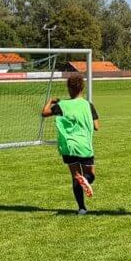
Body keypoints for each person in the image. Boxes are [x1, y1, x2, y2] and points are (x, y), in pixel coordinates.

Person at [41, 73, 100, 215]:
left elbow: (44, 113)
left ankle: (82, 208)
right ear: (82, 88)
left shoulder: (62, 105)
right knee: (90, 175)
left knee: (75, 176)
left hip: (68, 146)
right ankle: (85, 180)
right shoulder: (88, 105)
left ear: (68, 88)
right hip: (84, 146)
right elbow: (97, 126)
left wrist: (50, 101)